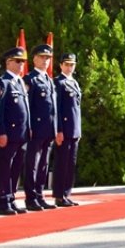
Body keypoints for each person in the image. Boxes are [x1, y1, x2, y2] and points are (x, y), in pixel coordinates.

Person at [0, 47, 31, 214]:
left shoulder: (20, 82)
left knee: (16, 167)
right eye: (18, 61)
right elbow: (0, 111)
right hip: (9, 134)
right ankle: (3, 200)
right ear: (8, 62)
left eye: (23, 62)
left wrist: (29, 127)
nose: (21, 65)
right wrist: (1, 131)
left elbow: (26, 109)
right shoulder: (3, 82)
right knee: (6, 167)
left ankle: (11, 198)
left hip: (22, 134)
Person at [23, 44, 58, 210]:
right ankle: (31, 198)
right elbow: (27, 107)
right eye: (42, 57)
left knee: (43, 164)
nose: (45, 61)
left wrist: (55, 128)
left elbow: (53, 108)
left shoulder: (49, 80)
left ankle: (39, 194)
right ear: (34, 59)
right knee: (33, 164)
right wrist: (28, 127)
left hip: (48, 129)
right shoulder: (30, 80)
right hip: (35, 129)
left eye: (48, 58)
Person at [53, 52, 82, 206]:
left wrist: (79, 130)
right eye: (67, 64)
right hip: (64, 129)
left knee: (71, 163)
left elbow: (77, 108)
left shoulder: (75, 83)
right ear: (61, 65)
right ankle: (59, 195)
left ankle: (66, 193)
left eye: (72, 64)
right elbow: (57, 109)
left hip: (74, 129)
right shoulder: (58, 82)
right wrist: (58, 130)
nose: (70, 67)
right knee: (62, 162)